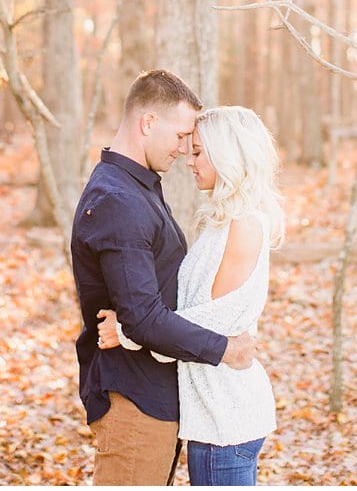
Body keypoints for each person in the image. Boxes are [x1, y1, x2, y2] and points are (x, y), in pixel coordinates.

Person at [71, 70, 257, 486]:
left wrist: (132, 325)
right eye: (179, 136)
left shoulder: (139, 188)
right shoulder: (119, 200)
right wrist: (225, 349)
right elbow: (142, 316)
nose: (184, 150)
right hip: (135, 401)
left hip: (156, 395)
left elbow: (144, 305)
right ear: (148, 123)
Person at [97, 105, 285, 487]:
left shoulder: (244, 226)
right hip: (213, 413)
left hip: (225, 420)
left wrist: (129, 330)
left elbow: (207, 329)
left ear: (227, 155)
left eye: (198, 151)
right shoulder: (222, 221)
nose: (188, 160)